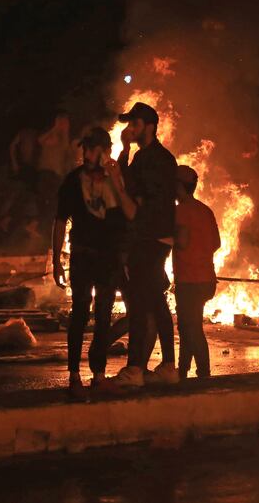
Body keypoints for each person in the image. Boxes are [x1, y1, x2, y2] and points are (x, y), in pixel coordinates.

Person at [104, 102, 178, 387]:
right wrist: (124, 152)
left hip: (147, 238)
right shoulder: (150, 157)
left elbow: (130, 195)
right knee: (157, 303)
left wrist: (120, 176)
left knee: (139, 307)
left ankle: (135, 369)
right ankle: (169, 365)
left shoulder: (152, 160)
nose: (129, 129)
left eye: (134, 124)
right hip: (157, 238)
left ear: (148, 126)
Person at [52, 126, 126, 399]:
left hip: (108, 258)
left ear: (105, 151)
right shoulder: (73, 182)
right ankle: (74, 376)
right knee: (81, 313)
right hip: (83, 255)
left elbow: (123, 220)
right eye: (86, 149)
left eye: (93, 149)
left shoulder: (113, 181)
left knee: (104, 316)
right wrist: (56, 260)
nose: (87, 154)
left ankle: (98, 375)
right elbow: (60, 221)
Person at [173, 165, 221, 379]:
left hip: (189, 280)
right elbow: (216, 244)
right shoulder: (205, 210)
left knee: (190, 328)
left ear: (179, 186)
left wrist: (168, 239)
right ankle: (183, 370)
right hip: (206, 279)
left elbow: (182, 241)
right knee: (189, 325)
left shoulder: (181, 210)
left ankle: (203, 372)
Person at [38, 110, 75, 235]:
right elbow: (40, 141)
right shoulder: (52, 136)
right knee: (47, 203)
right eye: (62, 122)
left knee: (54, 205)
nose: (65, 125)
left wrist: (65, 132)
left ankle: (46, 232)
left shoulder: (64, 138)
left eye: (66, 122)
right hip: (46, 174)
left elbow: (66, 151)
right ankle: (43, 231)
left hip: (57, 176)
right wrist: (55, 128)